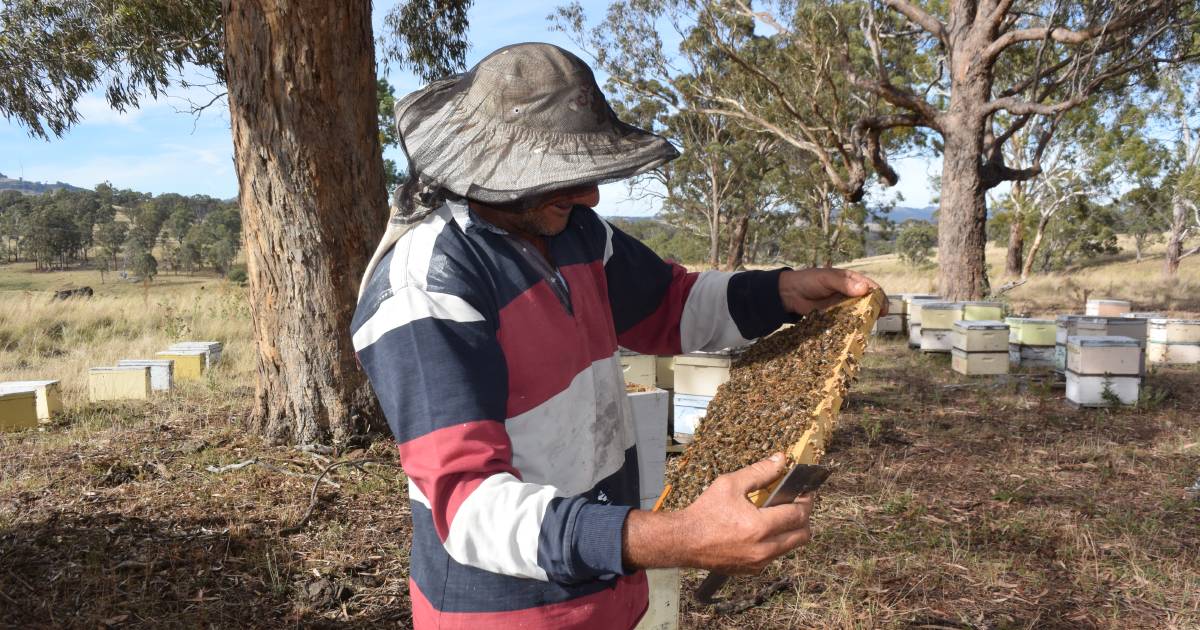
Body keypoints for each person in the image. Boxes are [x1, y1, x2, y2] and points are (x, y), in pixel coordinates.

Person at [351, 42, 883, 630]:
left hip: (612, 589)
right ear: (489, 168)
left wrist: (782, 291)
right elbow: (471, 507)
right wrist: (674, 536)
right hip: (507, 613)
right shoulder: (426, 288)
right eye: (561, 178)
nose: (590, 196)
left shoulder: (579, 232)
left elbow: (670, 304)